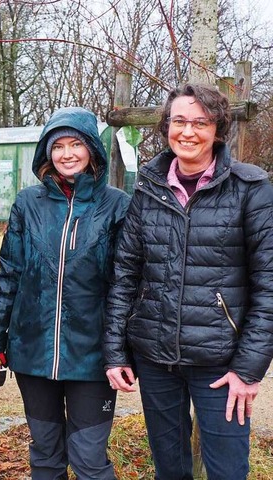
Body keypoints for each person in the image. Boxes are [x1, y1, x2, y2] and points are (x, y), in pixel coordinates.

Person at [104, 83, 273, 479]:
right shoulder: (149, 185)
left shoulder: (250, 188)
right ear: (166, 127)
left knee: (228, 471)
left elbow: (269, 285)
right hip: (156, 356)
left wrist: (249, 369)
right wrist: (115, 351)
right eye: (179, 120)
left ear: (218, 130)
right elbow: (125, 274)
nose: (189, 131)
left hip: (222, 361)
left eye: (201, 122)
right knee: (170, 469)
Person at [0, 106, 130, 480]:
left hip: (92, 357)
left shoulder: (117, 205)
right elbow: (9, 273)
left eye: (75, 143)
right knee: (45, 456)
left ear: (91, 148)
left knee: (89, 459)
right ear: (46, 152)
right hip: (33, 350)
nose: (66, 153)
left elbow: (126, 285)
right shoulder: (28, 204)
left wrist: (122, 351)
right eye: (57, 145)